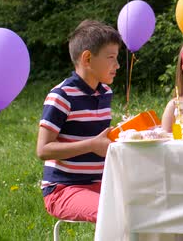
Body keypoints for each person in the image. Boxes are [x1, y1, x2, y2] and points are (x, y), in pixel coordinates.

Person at [36, 20, 121, 222]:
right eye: (111, 58)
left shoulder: (105, 92)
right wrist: (92, 145)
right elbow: (43, 149)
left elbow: (97, 139)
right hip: (63, 189)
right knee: (115, 215)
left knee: (146, 206)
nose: (117, 65)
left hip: (101, 183)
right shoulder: (61, 96)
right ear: (87, 58)